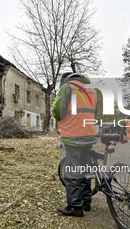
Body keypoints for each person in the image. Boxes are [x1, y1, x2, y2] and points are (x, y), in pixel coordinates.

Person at [52, 72, 98, 217]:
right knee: (84, 167)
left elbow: (57, 110)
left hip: (74, 135)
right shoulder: (92, 90)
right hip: (88, 133)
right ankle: (86, 201)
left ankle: (75, 206)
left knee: (72, 171)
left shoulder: (67, 88)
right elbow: (93, 112)